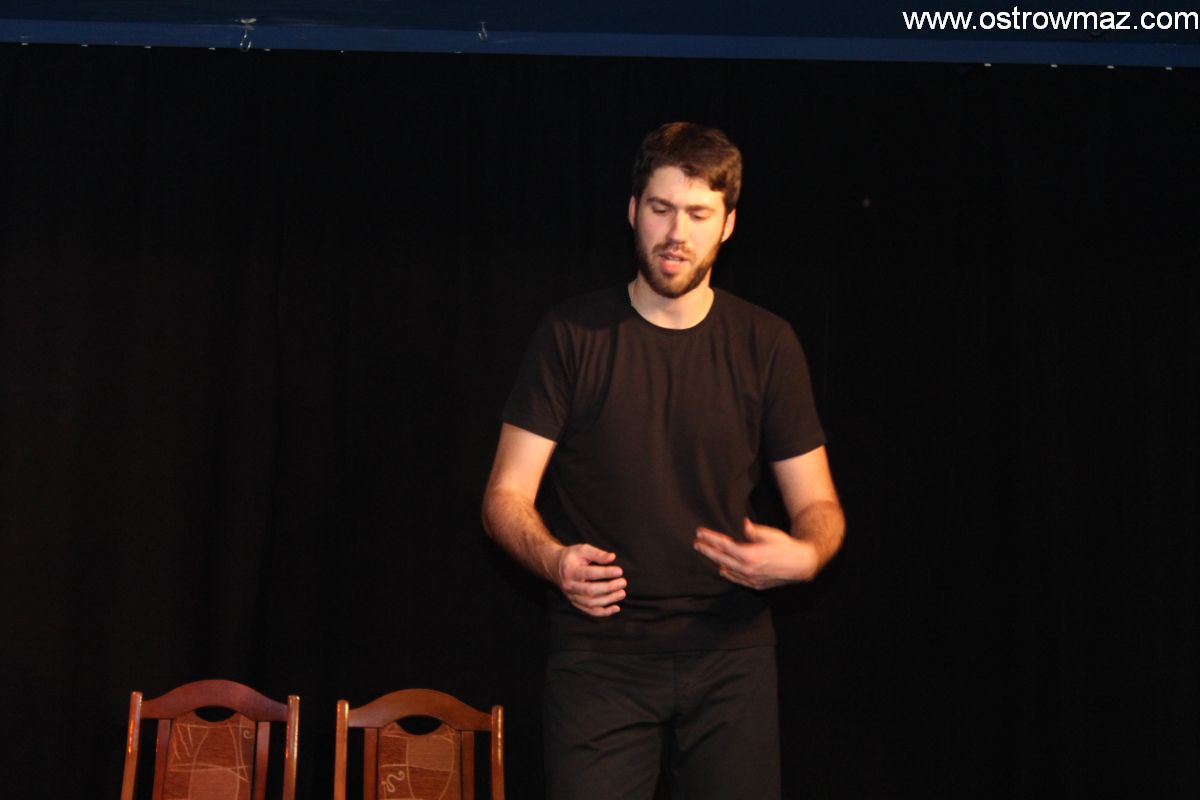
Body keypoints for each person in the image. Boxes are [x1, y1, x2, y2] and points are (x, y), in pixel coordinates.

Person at [481, 121, 845, 799]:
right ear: (632, 211)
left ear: (727, 225)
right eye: (661, 208)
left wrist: (807, 556)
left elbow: (819, 505)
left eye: (699, 214)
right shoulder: (571, 334)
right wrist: (555, 561)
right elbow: (504, 497)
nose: (677, 233)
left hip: (731, 656)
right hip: (600, 656)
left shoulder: (767, 343)